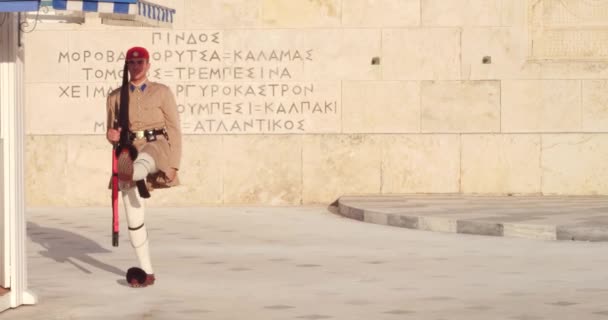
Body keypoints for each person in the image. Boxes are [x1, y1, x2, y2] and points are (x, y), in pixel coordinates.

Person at [106, 46, 182, 288]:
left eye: (140, 63)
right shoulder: (116, 96)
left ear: (148, 65)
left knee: (144, 158)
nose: (136, 67)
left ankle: (134, 170)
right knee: (134, 215)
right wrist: (112, 136)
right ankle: (146, 272)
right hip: (129, 147)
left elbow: (174, 129)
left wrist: (175, 165)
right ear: (127, 66)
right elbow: (111, 133)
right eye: (132, 63)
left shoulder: (162, 92)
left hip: (155, 145)